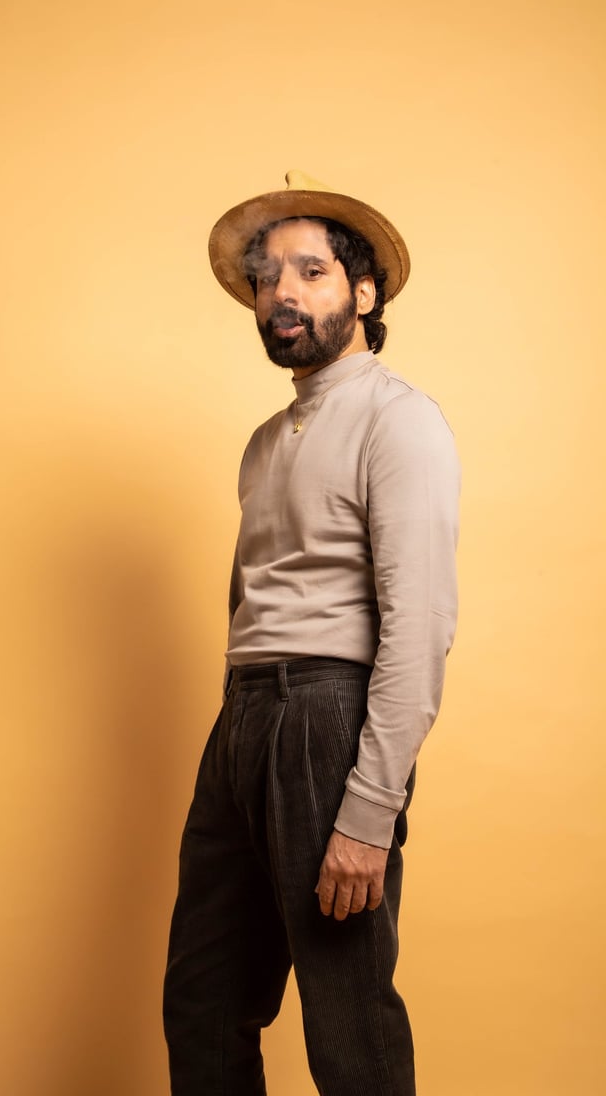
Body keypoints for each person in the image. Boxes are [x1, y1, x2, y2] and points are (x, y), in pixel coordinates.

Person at [163, 170, 460, 1096]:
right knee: (204, 1002)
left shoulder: (398, 421)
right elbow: (249, 601)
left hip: (328, 721)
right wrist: (239, 732)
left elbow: (420, 626)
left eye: (310, 271)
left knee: (347, 1018)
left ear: (363, 294)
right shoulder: (264, 442)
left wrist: (368, 811)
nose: (280, 293)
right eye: (266, 277)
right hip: (243, 719)